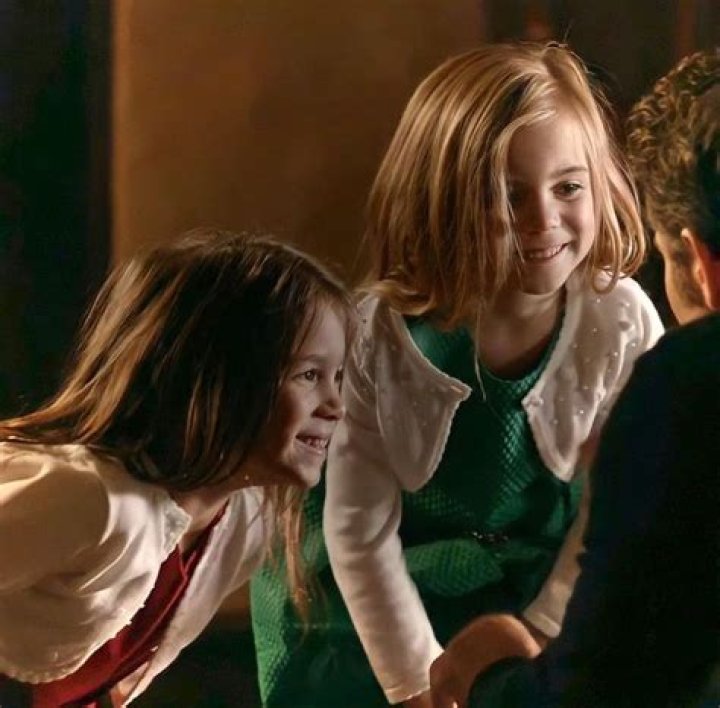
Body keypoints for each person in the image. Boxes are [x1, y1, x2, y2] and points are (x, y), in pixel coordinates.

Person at [251, 42, 663, 707]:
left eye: (568, 187)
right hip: (384, 594)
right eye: (510, 196)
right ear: (443, 203)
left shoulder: (621, 321)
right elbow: (360, 532)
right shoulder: (376, 337)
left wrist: (541, 631)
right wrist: (416, 684)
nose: (544, 220)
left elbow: (614, 506)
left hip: (540, 583)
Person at [430, 47, 720, 708]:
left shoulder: (688, 384)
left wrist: (489, 677)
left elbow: (604, 691)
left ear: (700, 264)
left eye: (568, 186)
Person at [0, 229, 354, 707]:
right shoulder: (92, 500)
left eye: (338, 377)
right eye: (309, 375)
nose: (335, 404)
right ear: (217, 378)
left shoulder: (243, 522)